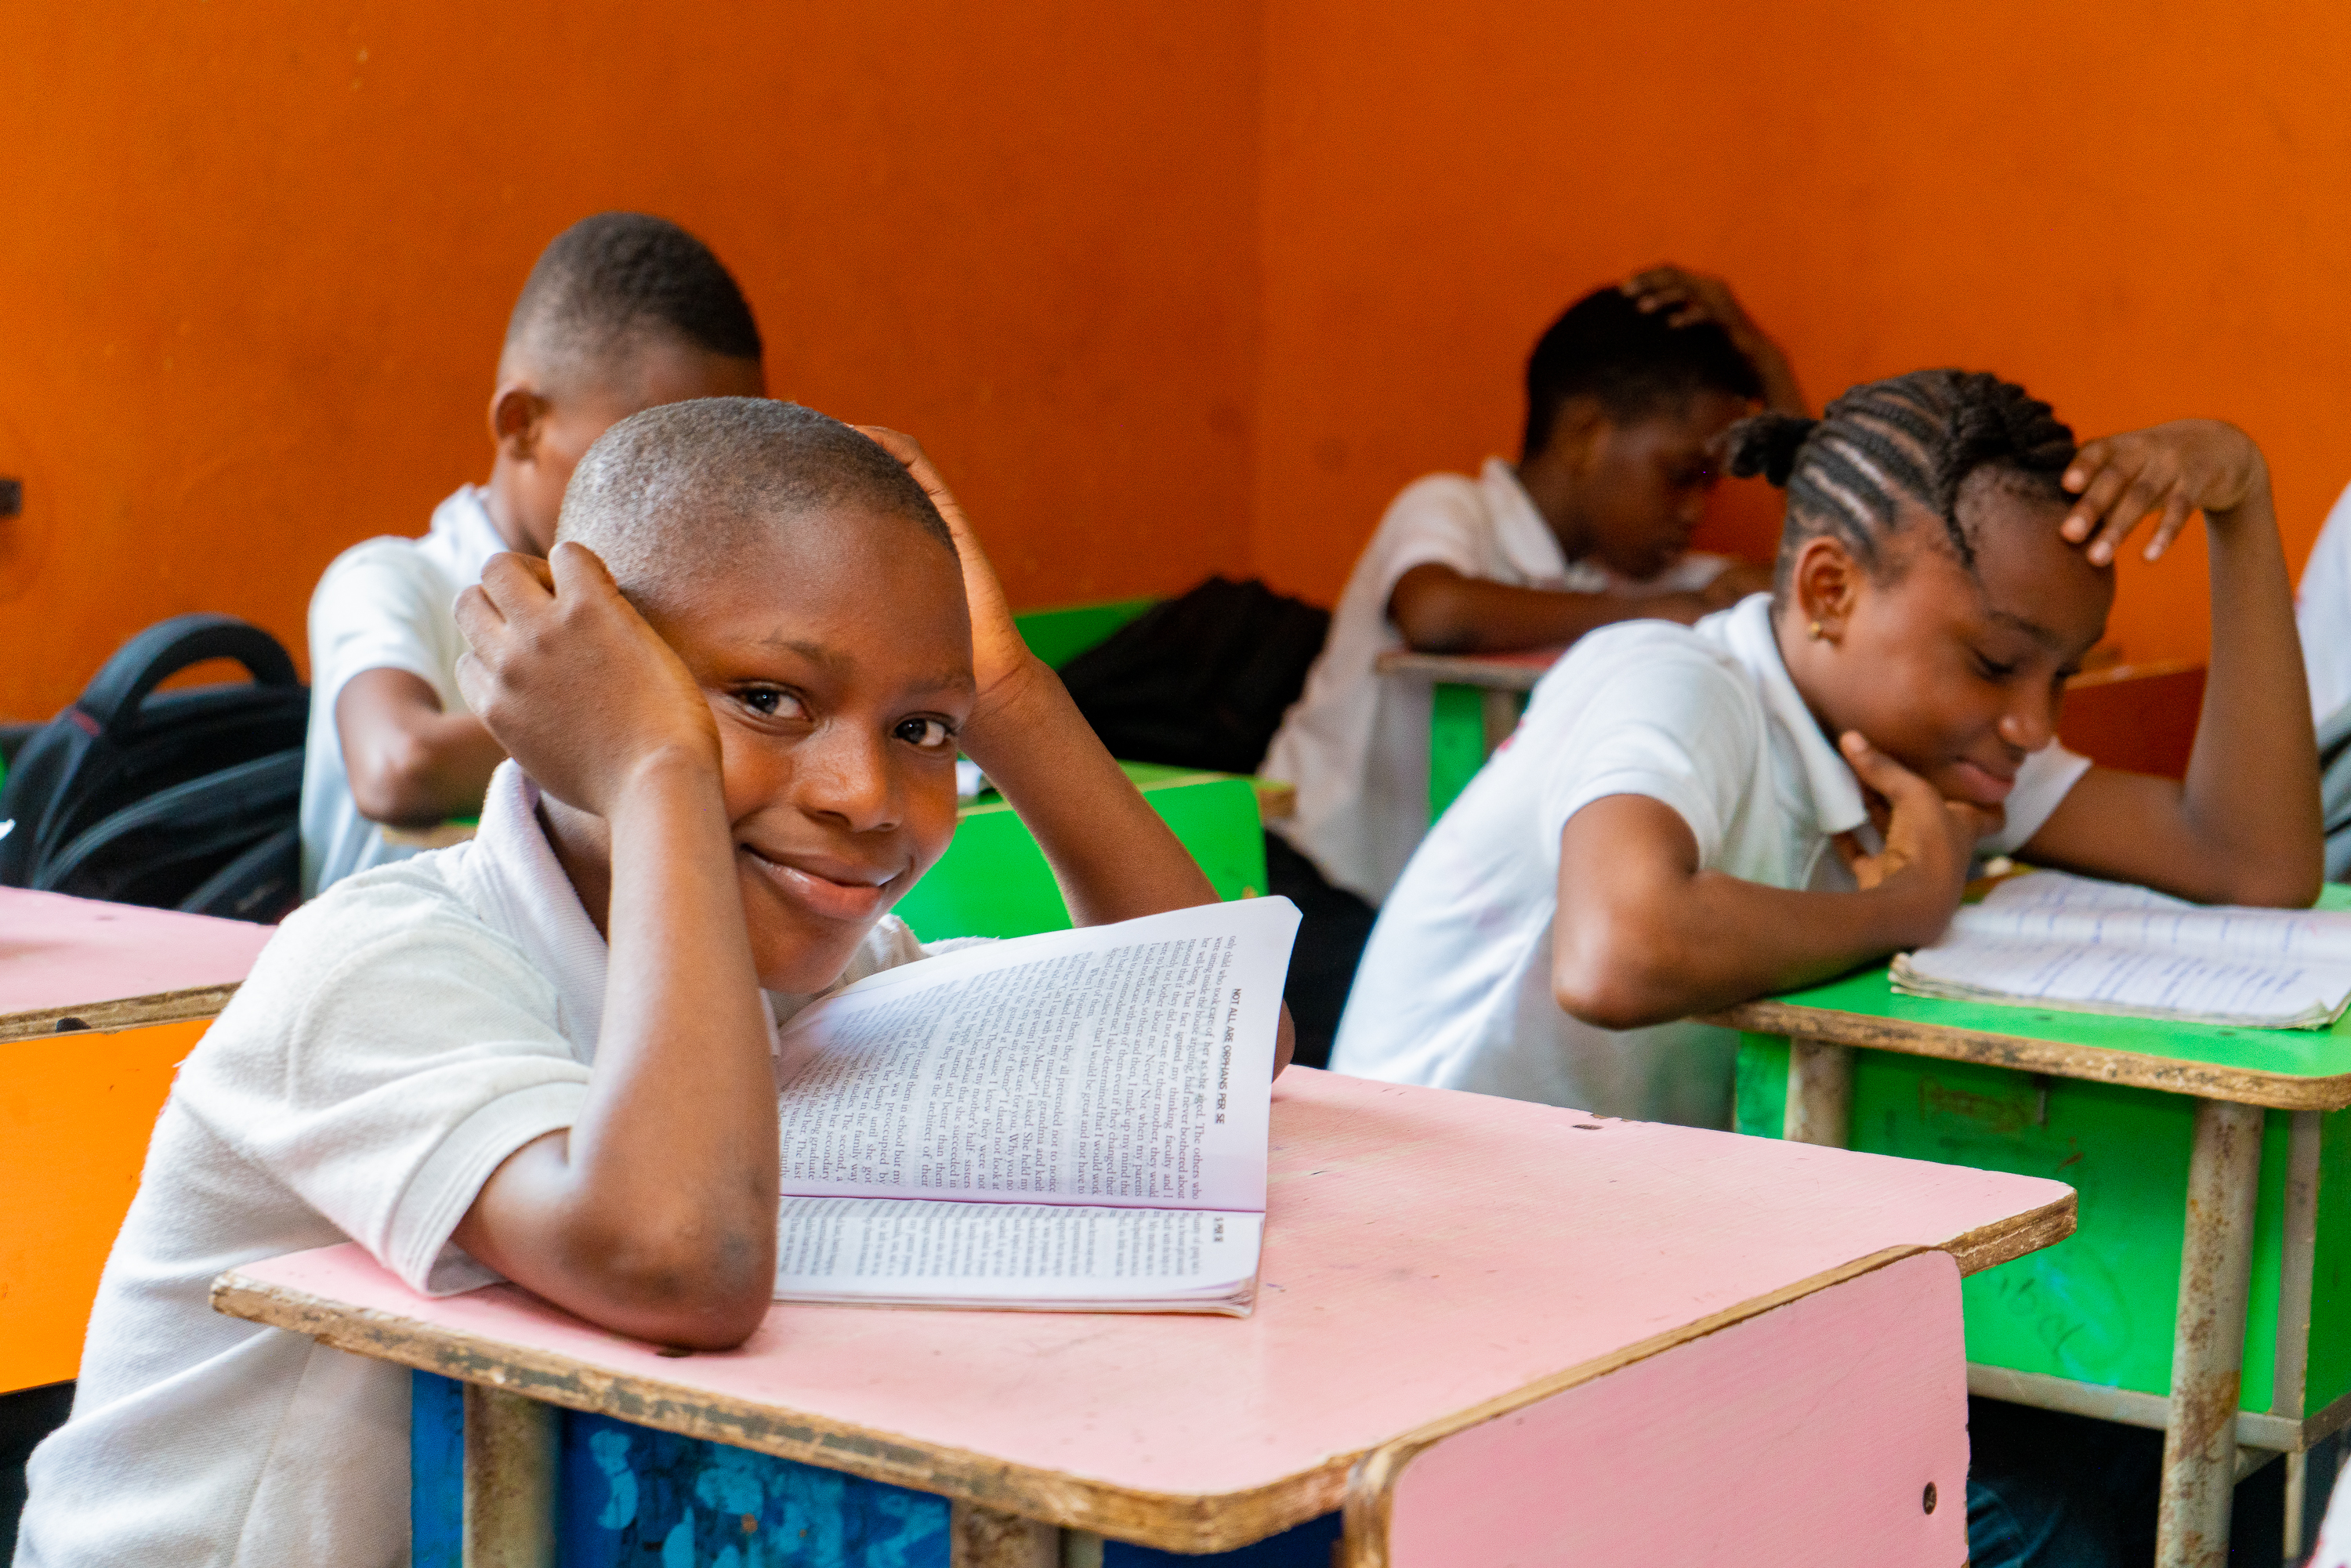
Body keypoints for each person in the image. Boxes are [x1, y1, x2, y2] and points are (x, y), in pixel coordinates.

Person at [16, 400, 1281, 1566]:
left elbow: (1214, 1039)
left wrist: (1004, 690)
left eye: (922, 732)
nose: (863, 794)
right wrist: (651, 768)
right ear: (587, 692)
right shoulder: (383, 966)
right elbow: (683, 1263)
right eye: (769, 698)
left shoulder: (829, 975)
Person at [1331, 369, 2319, 1138]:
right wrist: (1901, 908)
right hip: (1411, 1227)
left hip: (1593, 1234)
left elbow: (2250, 861)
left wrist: (2242, 509)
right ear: (1829, 590)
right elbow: (1616, 954)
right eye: (1995, 663)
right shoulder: (1674, 680)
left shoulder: (1931, 753)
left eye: (2058, 680)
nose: (2032, 723)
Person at [1259, 266, 1802, 1064]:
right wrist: (1662, 612)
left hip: (1435, 924)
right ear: (1586, 436)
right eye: (1680, 473)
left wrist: (1772, 367)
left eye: (1712, 483)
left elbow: (1816, 578)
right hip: (1307, 881)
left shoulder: (1630, 574)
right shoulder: (1454, 509)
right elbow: (1437, 612)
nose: (1696, 509)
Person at [298, 211, 767, 897]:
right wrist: (654, 723)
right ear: (521, 426)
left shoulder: (669, 616)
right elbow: (397, 764)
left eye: (724, 470)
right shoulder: (389, 580)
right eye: (646, 458)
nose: (695, 503)